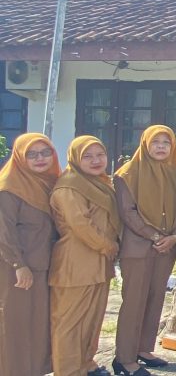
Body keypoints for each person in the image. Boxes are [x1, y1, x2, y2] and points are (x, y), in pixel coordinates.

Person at [112, 126, 176, 375]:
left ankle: (143, 349)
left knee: (155, 298)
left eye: (166, 142)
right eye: (156, 142)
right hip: (138, 248)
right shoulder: (127, 174)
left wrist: (175, 236)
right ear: (144, 144)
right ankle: (124, 358)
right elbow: (127, 212)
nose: (161, 146)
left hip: (166, 247)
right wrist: (155, 236)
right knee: (134, 301)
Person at [49, 136, 121, 376]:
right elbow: (80, 225)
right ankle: (68, 371)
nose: (95, 161)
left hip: (98, 262)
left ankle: (86, 364)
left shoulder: (98, 182)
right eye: (87, 156)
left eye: (100, 155)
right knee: (70, 323)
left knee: (92, 319)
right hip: (75, 262)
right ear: (75, 159)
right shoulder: (69, 186)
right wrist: (108, 246)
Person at [0, 133, 60, 376]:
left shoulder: (52, 182)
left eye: (45, 152)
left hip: (45, 265)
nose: (39, 159)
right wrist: (18, 265)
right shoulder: (9, 187)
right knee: (17, 323)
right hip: (18, 268)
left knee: (39, 324)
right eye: (31, 154)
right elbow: (4, 231)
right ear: (19, 157)